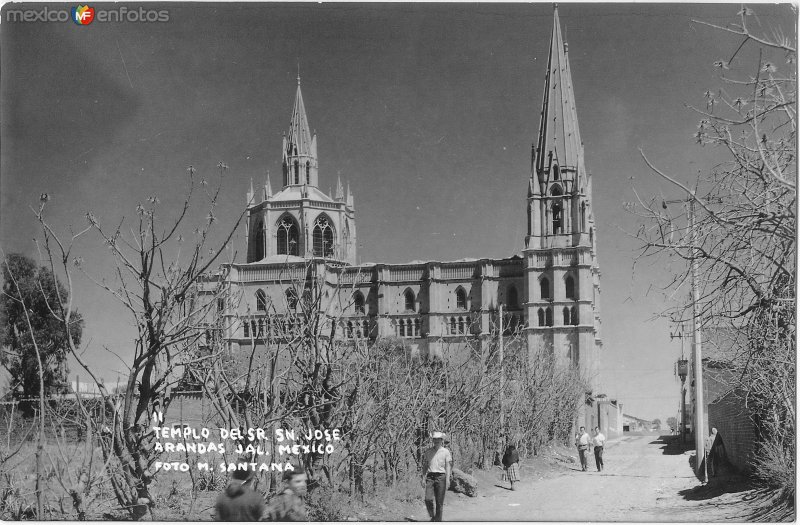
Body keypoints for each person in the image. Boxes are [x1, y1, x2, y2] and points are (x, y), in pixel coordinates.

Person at [422, 431, 452, 522]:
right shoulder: (428, 452)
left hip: (441, 477)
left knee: (439, 502)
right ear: (433, 440)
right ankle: (432, 516)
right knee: (428, 499)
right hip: (430, 477)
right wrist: (423, 478)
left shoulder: (446, 452)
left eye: (438, 439)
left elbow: (448, 465)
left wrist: (447, 479)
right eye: (434, 439)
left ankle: (438, 520)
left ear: (441, 440)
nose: (436, 441)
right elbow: (425, 465)